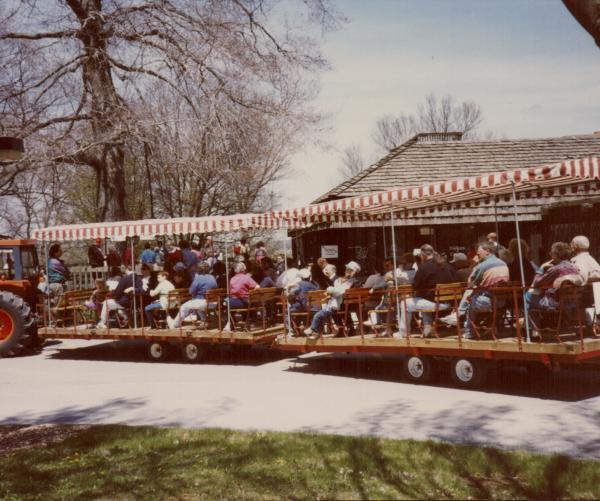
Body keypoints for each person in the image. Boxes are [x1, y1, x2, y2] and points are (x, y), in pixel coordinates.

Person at [392, 244, 458, 338]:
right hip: (451, 302)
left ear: (423, 255)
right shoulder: (447, 265)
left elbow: (415, 285)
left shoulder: (424, 267)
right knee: (422, 299)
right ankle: (428, 330)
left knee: (404, 303)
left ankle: (403, 333)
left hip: (435, 303)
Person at [528, 242, 580, 336]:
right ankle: (536, 328)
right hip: (570, 302)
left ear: (556, 255)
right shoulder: (574, 267)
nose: (550, 255)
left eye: (551, 253)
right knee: (532, 298)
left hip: (554, 302)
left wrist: (541, 268)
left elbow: (536, 282)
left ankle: (533, 331)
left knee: (527, 297)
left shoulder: (555, 269)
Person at [462, 242, 510, 339]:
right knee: (474, 296)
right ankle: (490, 327)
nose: (477, 255)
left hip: (487, 301)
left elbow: (471, 283)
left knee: (470, 301)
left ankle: (469, 332)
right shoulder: (503, 263)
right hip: (501, 302)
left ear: (487, 251)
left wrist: (476, 265)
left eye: (479, 253)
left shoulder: (482, 265)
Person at [303, 261, 361, 337]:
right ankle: (347, 329)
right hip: (349, 304)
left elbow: (339, 291)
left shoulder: (350, 281)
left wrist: (330, 290)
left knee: (329, 311)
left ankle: (339, 330)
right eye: (347, 269)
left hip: (345, 304)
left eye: (348, 270)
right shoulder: (353, 281)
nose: (346, 271)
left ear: (353, 272)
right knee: (330, 310)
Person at [167, 262, 217, 329]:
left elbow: (191, 291)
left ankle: (174, 325)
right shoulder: (212, 277)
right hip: (214, 302)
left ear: (198, 270)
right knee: (196, 303)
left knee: (184, 307)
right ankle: (204, 322)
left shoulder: (198, 278)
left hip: (204, 302)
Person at [223, 262, 259, 327]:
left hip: (238, 301)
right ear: (244, 269)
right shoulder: (247, 278)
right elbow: (257, 287)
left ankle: (231, 322)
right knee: (226, 302)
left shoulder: (232, 279)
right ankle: (234, 322)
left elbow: (230, 292)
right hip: (246, 302)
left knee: (223, 303)